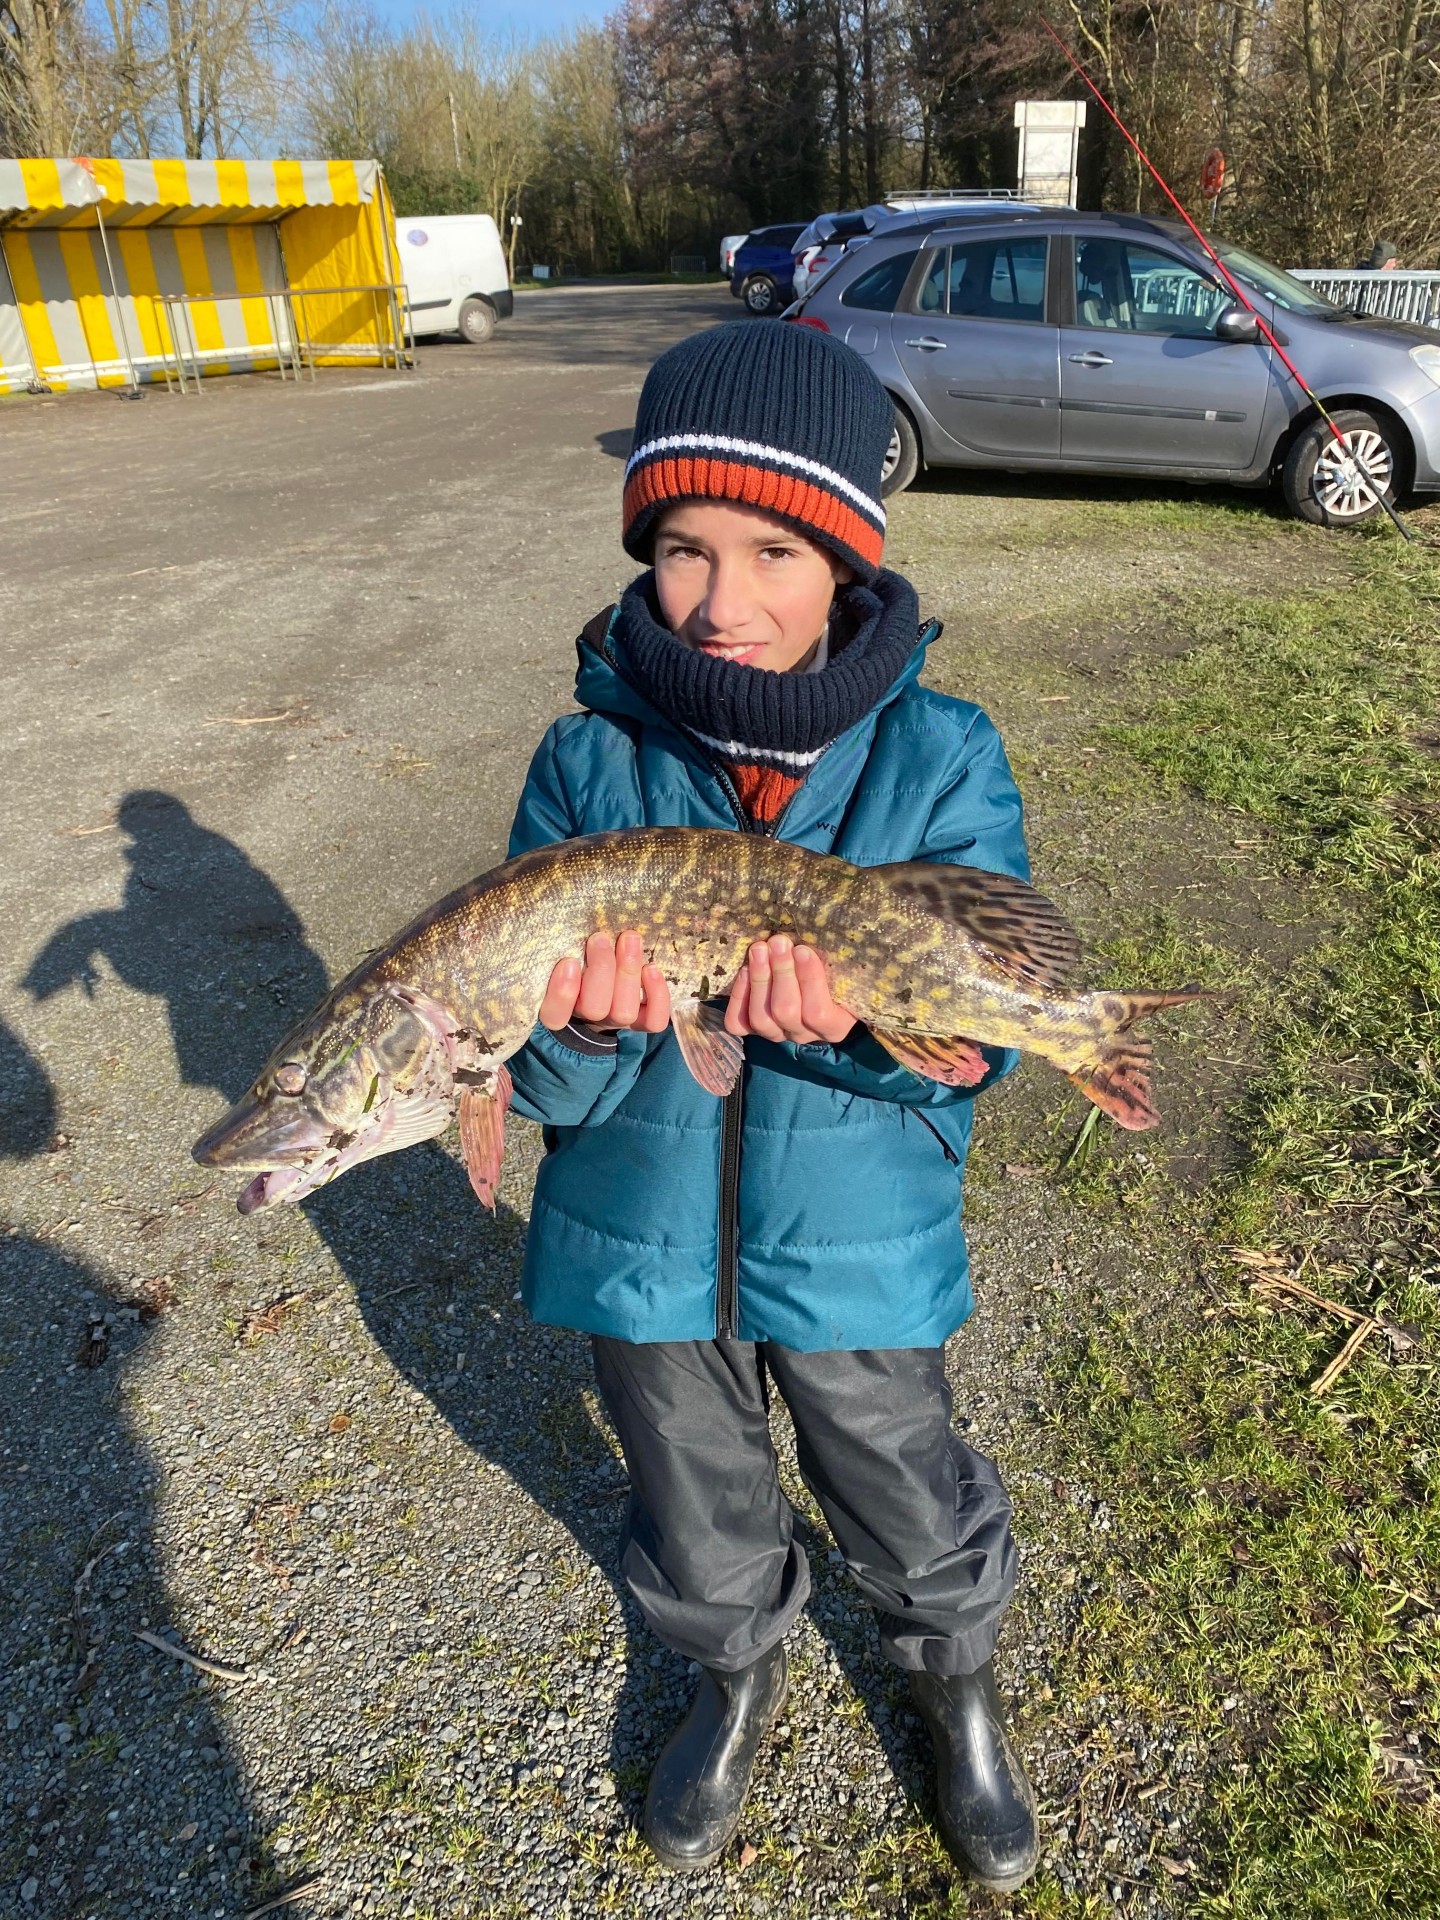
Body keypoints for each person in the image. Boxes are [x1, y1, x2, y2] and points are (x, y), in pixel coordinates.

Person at [503, 320, 1039, 1890]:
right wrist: (597, 1033)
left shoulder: (942, 756)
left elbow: (974, 1037)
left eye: (771, 548)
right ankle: (730, 1668)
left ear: (851, 558)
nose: (720, 600)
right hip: (633, 1244)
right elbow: (528, 1067)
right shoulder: (587, 764)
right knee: (691, 1479)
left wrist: (861, 1035)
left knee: (892, 1458)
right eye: (680, 545)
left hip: (860, 1239)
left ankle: (955, 1683)